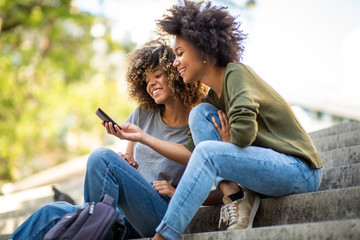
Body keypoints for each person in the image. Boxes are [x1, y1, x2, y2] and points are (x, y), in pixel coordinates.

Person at [10, 39, 213, 240]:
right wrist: (127, 163)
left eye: (158, 75)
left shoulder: (198, 120)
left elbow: (206, 167)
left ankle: (91, 226)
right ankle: (94, 225)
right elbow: (132, 166)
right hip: (127, 214)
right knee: (51, 212)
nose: (151, 84)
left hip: (162, 214)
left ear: (175, 75)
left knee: (102, 157)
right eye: (146, 80)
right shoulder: (142, 114)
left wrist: (175, 191)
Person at [153, 1, 323, 239]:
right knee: (198, 114)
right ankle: (235, 195)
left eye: (180, 53)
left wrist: (226, 143)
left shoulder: (236, 74)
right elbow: (192, 152)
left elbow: (241, 137)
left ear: (202, 50)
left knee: (209, 153)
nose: (175, 62)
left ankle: (163, 236)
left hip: (299, 170)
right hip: (262, 172)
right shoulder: (211, 101)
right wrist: (141, 137)